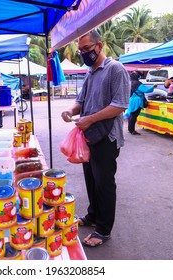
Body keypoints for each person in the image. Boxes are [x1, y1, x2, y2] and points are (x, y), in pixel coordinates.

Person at [61, 29, 129, 247]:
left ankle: (103, 229)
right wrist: (71, 111)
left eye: (86, 49)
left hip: (107, 137)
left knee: (104, 183)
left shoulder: (115, 69)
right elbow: (80, 101)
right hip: (89, 136)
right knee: (91, 179)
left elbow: (120, 105)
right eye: (80, 50)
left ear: (99, 46)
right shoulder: (91, 72)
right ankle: (92, 216)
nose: (83, 53)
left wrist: (90, 119)